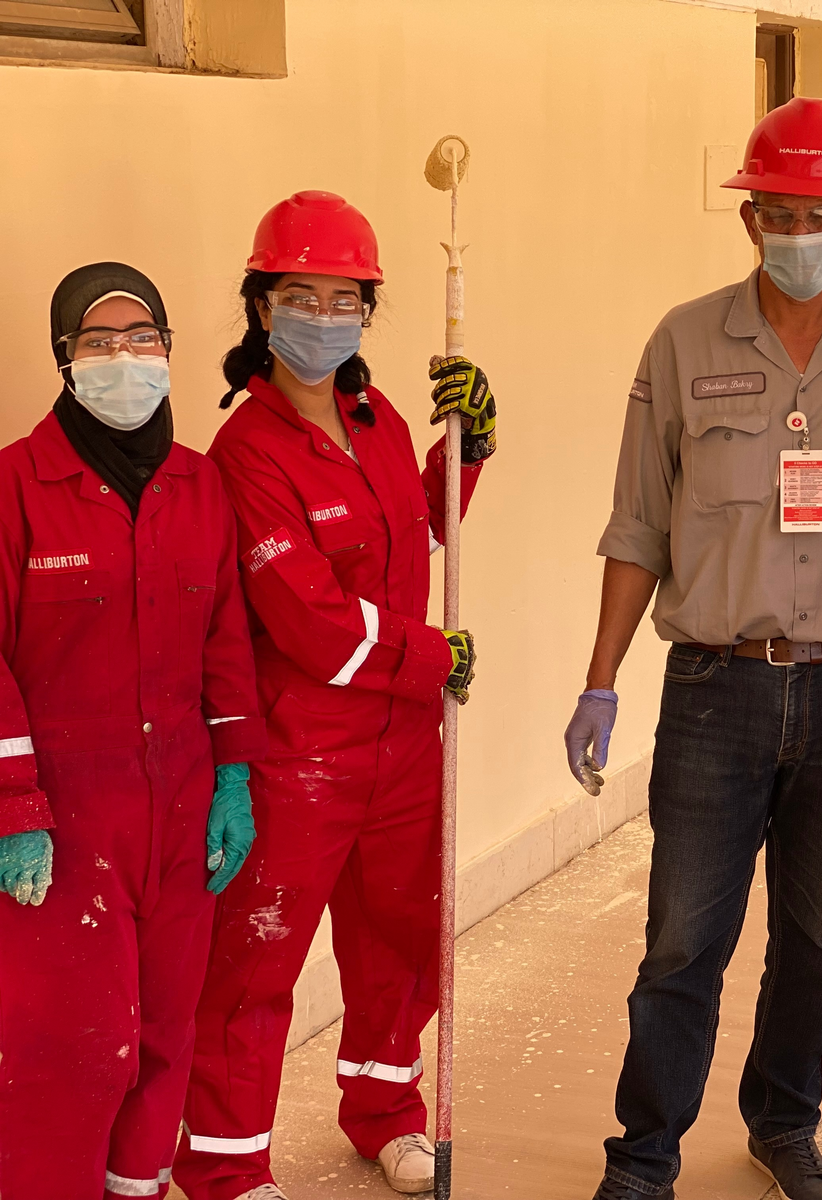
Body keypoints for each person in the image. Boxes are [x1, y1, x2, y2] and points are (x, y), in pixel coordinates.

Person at [564, 96, 822, 1200]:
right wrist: (600, 678)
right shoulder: (683, 341)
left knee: (815, 937)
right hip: (712, 690)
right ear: (748, 222)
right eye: (774, 213)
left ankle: (784, 1125)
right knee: (682, 943)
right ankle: (644, 1154)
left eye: (818, 212)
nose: (795, 233)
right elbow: (637, 520)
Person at [174, 192, 493, 1200]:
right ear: (261, 308)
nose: (325, 314)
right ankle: (224, 1165)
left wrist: (467, 451)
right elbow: (309, 620)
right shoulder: (246, 453)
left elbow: (420, 528)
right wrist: (431, 657)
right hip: (302, 749)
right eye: (301, 295)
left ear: (369, 308)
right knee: (258, 961)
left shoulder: (378, 416)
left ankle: (386, 1114)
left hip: (404, 743)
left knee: (400, 942)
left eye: (346, 296)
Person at [0, 263, 264, 1199]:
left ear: (168, 350)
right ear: (64, 360)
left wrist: (235, 778)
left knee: (163, 1037)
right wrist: (15, 806)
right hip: (67, 823)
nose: (125, 360)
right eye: (98, 343)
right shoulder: (17, 485)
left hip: (185, 807)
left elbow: (227, 641)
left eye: (142, 339)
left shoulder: (199, 486)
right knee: (71, 1048)